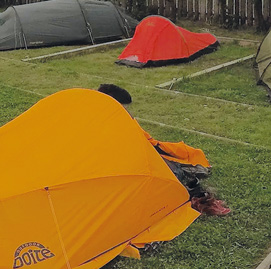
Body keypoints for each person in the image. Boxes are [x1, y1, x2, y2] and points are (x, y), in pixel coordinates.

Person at [96, 83, 230, 216]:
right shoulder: (100, 123)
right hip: (118, 165)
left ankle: (186, 185)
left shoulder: (120, 119)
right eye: (124, 108)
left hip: (134, 156)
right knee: (169, 173)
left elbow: (146, 142)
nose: (128, 112)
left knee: (181, 168)